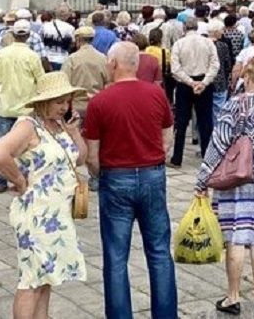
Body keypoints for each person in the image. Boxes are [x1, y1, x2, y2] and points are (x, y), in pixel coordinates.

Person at [83, 42, 177, 318]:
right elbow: (167, 137)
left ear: (112, 64)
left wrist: (101, 175)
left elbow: (92, 154)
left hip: (116, 176)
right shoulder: (156, 94)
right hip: (151, 173)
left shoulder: (100, 101)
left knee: (115, 255)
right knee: (159, 250)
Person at [195, 57, 254, 316]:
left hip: (234, 181)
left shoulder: (232, 106)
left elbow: (217, 145)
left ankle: (233, 296)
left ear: (247, 77)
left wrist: (202, 180)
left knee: (236, 239)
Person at [0, 72, 88, 319]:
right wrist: (19, 180)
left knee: (46, 278)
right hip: (37, 214)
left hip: (59, 213)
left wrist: (74, 133)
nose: (64, 107)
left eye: (67, 101)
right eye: (59, 102)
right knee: (31, 279)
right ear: (43, 101)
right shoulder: (28, 125)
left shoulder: (59, 124)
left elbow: (82, 158)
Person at [0, 20, 45, 192]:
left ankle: (0, 180)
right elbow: (41, 80)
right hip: (26, 108)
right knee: (25, 147)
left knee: (2, 145)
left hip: (6, 105)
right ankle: (20, 179)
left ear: (13, 35)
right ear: (28, 36)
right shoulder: (32, 56)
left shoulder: (2, 54)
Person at [169, 16, 220, 166]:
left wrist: (190, 82)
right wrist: (204, 82)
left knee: (181, 121)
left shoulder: (179, 44)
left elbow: (175, 68)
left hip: (185, 84)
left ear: (184, 28)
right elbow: (215, 65)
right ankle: (208, 156)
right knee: (205, 121)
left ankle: (177, 157)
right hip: (203, 82)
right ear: (197, 28)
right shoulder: (208, 42)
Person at [61, 26, 110, 116]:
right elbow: (109, 82)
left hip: (77, 106)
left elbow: (63, 82)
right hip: (98, 105)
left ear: (78, 40)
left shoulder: (72, 59)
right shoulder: (103, 58)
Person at [208, 20, 232, 122]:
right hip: (220, 81)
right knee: (219, 110)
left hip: (205, 80)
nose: (223, 32)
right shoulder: (222, 46)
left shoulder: (204, 44)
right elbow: (228, 64)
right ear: (216, 31)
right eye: (221, 30)